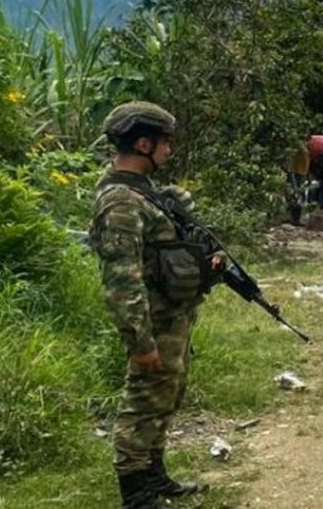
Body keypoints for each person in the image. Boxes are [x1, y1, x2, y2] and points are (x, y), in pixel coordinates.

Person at [89, 102, 218, 509]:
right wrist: (140, 342)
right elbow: (121, 279)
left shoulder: (147, 193)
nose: (169, 151)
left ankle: (155, 474)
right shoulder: (121, 202)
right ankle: (136, 493)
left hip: (172, 319)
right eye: (165, 143)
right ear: (143, 143)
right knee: (142, 401)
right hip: (153, 323)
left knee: (165, 396)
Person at [285, 135, 311, 225]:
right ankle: (295, 219)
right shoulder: (299, 148)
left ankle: (295, 218)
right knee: (296, 196)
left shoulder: (304, 148)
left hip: (301, 174)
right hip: (296, 174)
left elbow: (306, 164)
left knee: (299, 196)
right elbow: (290, 164)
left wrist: (308, 176)